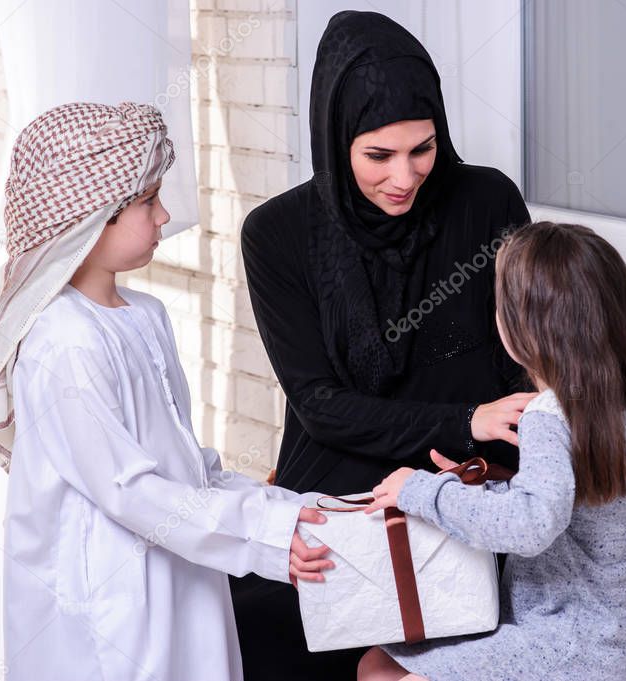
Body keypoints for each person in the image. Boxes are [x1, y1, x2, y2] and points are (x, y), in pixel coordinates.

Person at [0, 102, 332, 681]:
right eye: (147, 201)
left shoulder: (144, 314)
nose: (165, 215)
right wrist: (264, 535)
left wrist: (298, 511)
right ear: (91, 217)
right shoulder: (63, 342)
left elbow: (186, 467)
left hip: (180, 574)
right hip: (111, 607)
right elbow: (130, 490)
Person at [230, 10, 536, 679]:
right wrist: (464, 419)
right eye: (378, 155)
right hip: (342, 502)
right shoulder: (276, 234)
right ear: (335, 138)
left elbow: (527, 359)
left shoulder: (486, 202)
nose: (404, 176)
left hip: (467, 493)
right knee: (257, 624)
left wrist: (514, 437)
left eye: (421, 149)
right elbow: (319, 404)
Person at [359, 222, 626, 681]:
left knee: (381, 672)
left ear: (523, 329)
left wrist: (418, 492)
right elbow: (564, 504)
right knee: (379, 660)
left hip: (559, 645)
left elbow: (533, 526)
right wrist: (492, 487)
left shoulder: (548, 414)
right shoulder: (605, 404)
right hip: (600, 642)